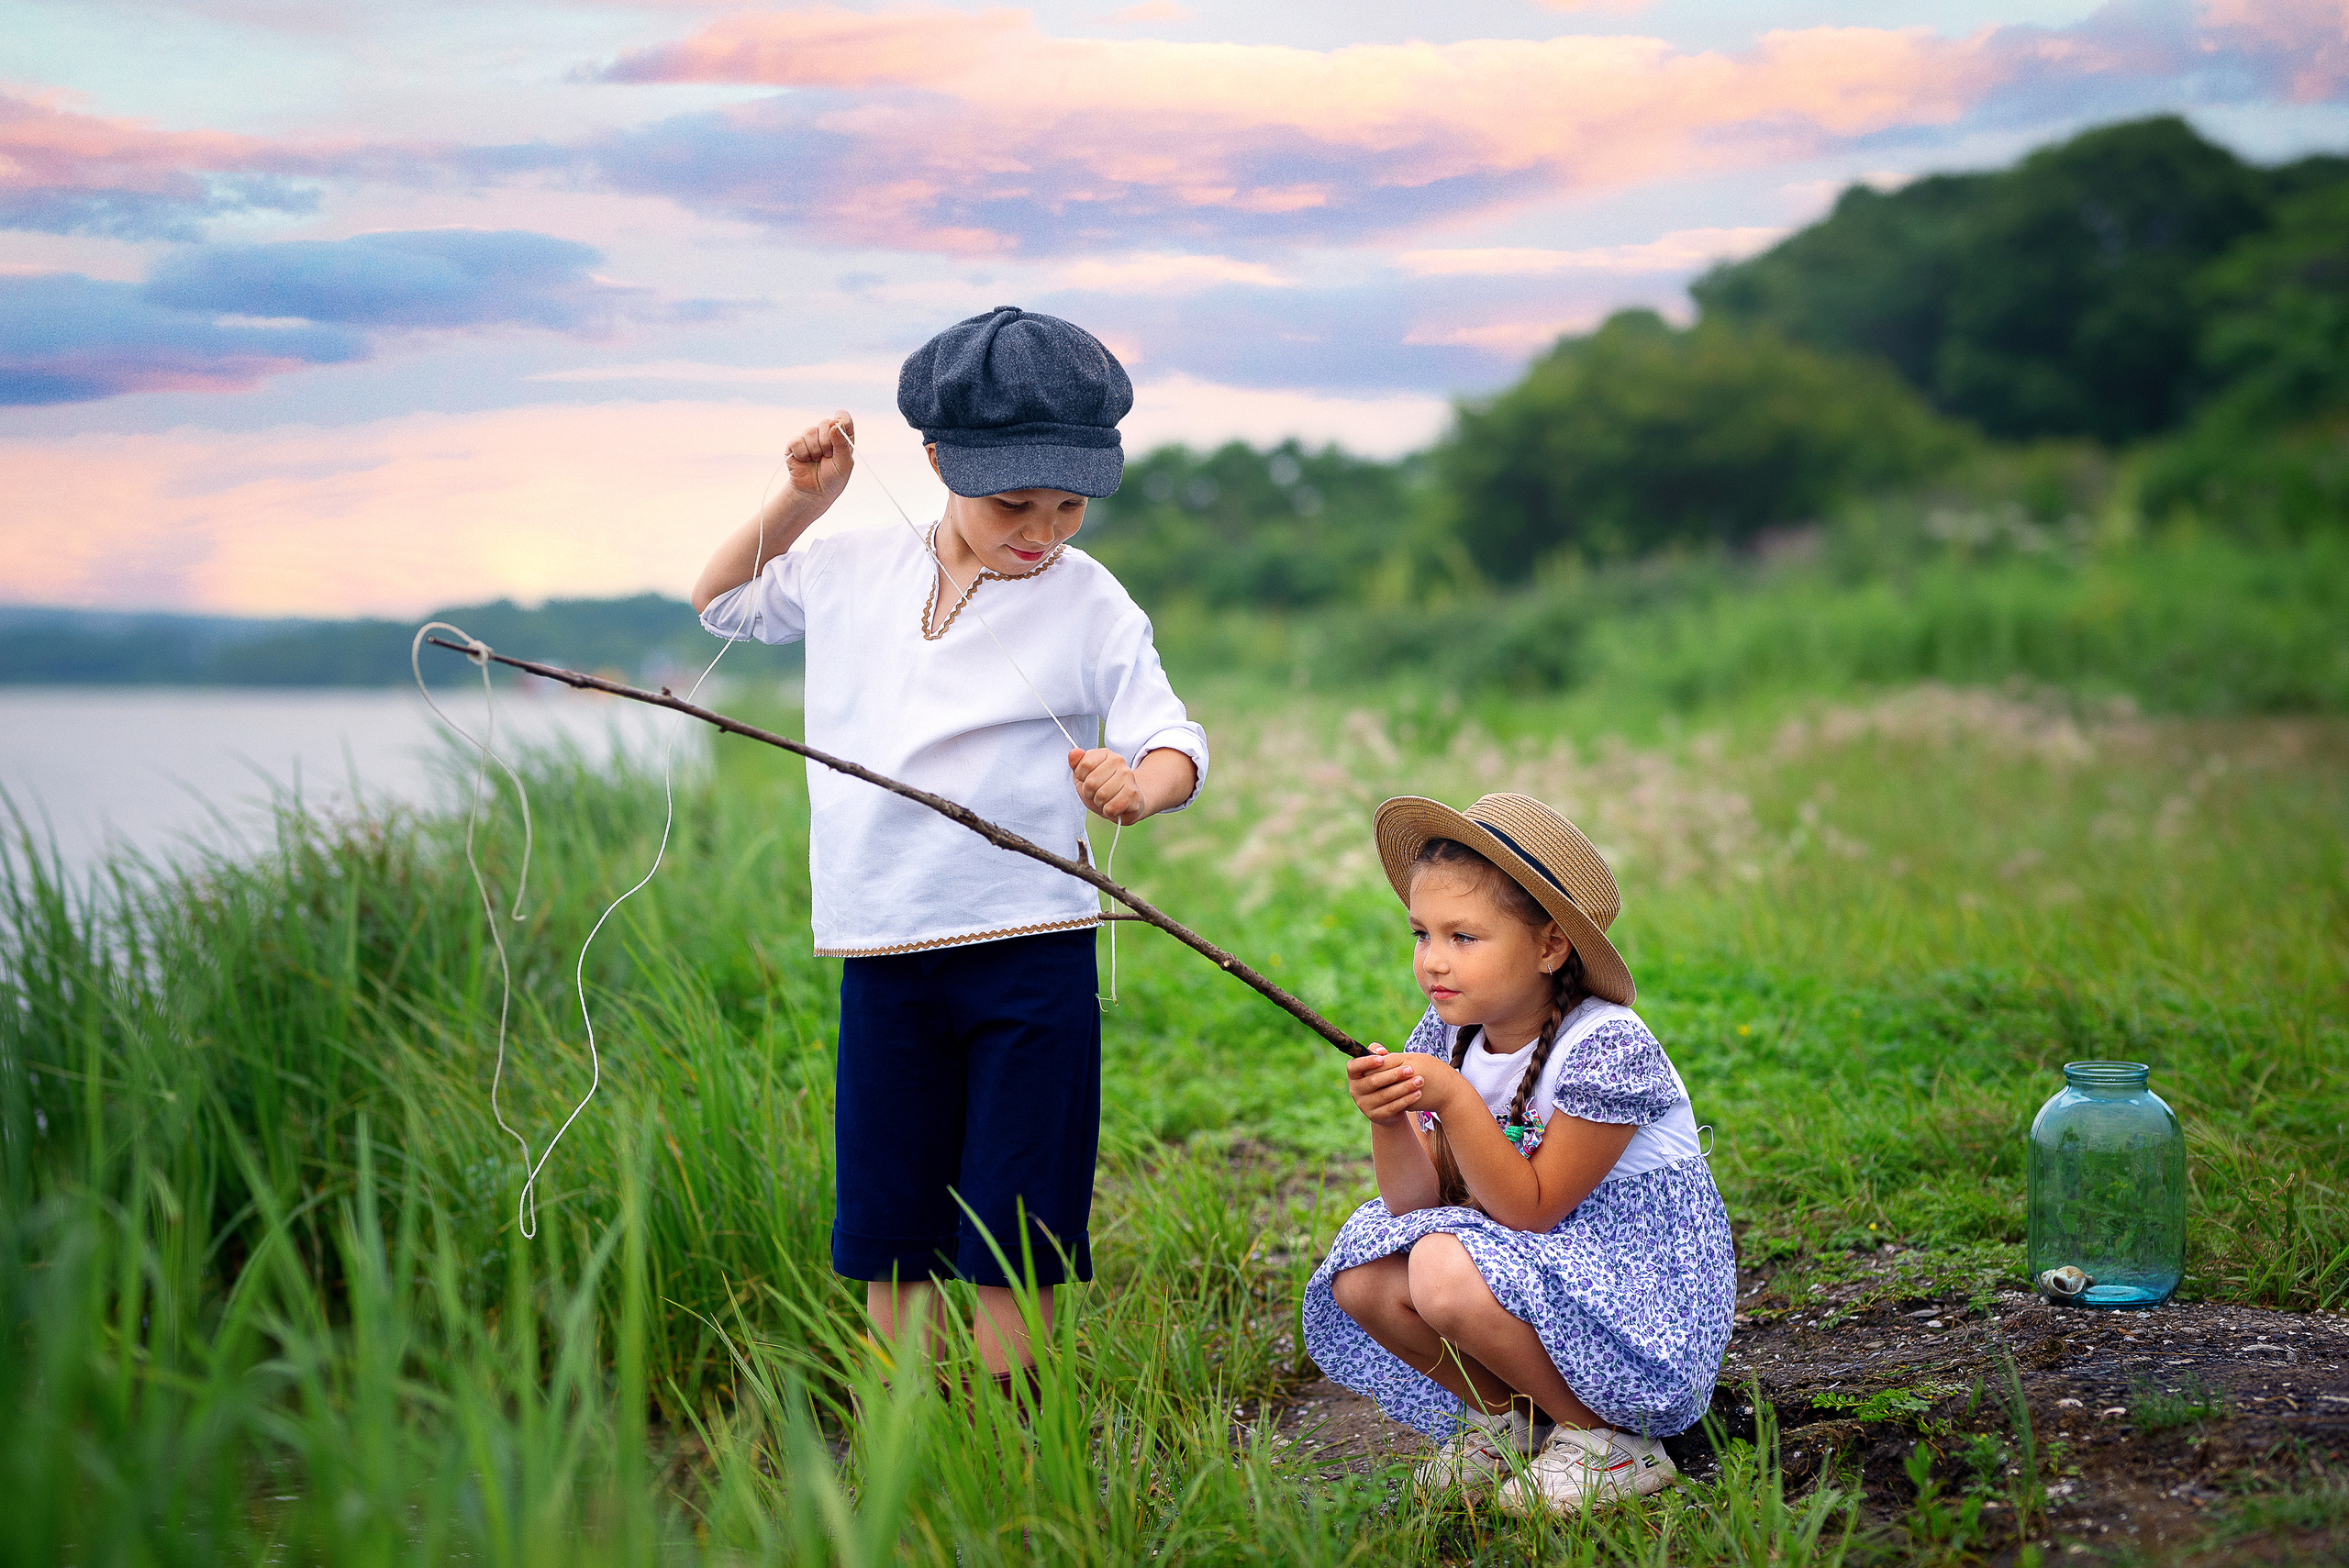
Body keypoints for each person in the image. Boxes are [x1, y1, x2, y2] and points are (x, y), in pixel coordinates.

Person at [689, 306, 1208, 1388]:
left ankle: (1012, 1426)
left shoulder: (1088, 598)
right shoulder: (848, 566)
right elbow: (723, 603)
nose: (1043, 529)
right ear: (934, 458)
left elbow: (1171, 734)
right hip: (883, 942)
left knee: (1019, 1210)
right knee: (893, 1206)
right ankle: (910, 1425)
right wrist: (801, 499)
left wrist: (1140, 787)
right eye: (1012, 502)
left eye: (1069, 503)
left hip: (1030, 946)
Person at [1301, 793, 1733, 1514]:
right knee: (1366, 1277)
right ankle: (1513, 1422)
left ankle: (1608, 1440)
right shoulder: (1452, 1034)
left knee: (1440, 1265)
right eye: (1421, 934)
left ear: (1549, 945)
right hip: (1540, 1264)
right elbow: (1418, 1207)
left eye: (1463, 937)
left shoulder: (1606, 1047)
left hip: (1635, 1288)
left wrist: (1456, 1102)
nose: (1433, 961)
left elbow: (1530, 1209)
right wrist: (1390, 1120)